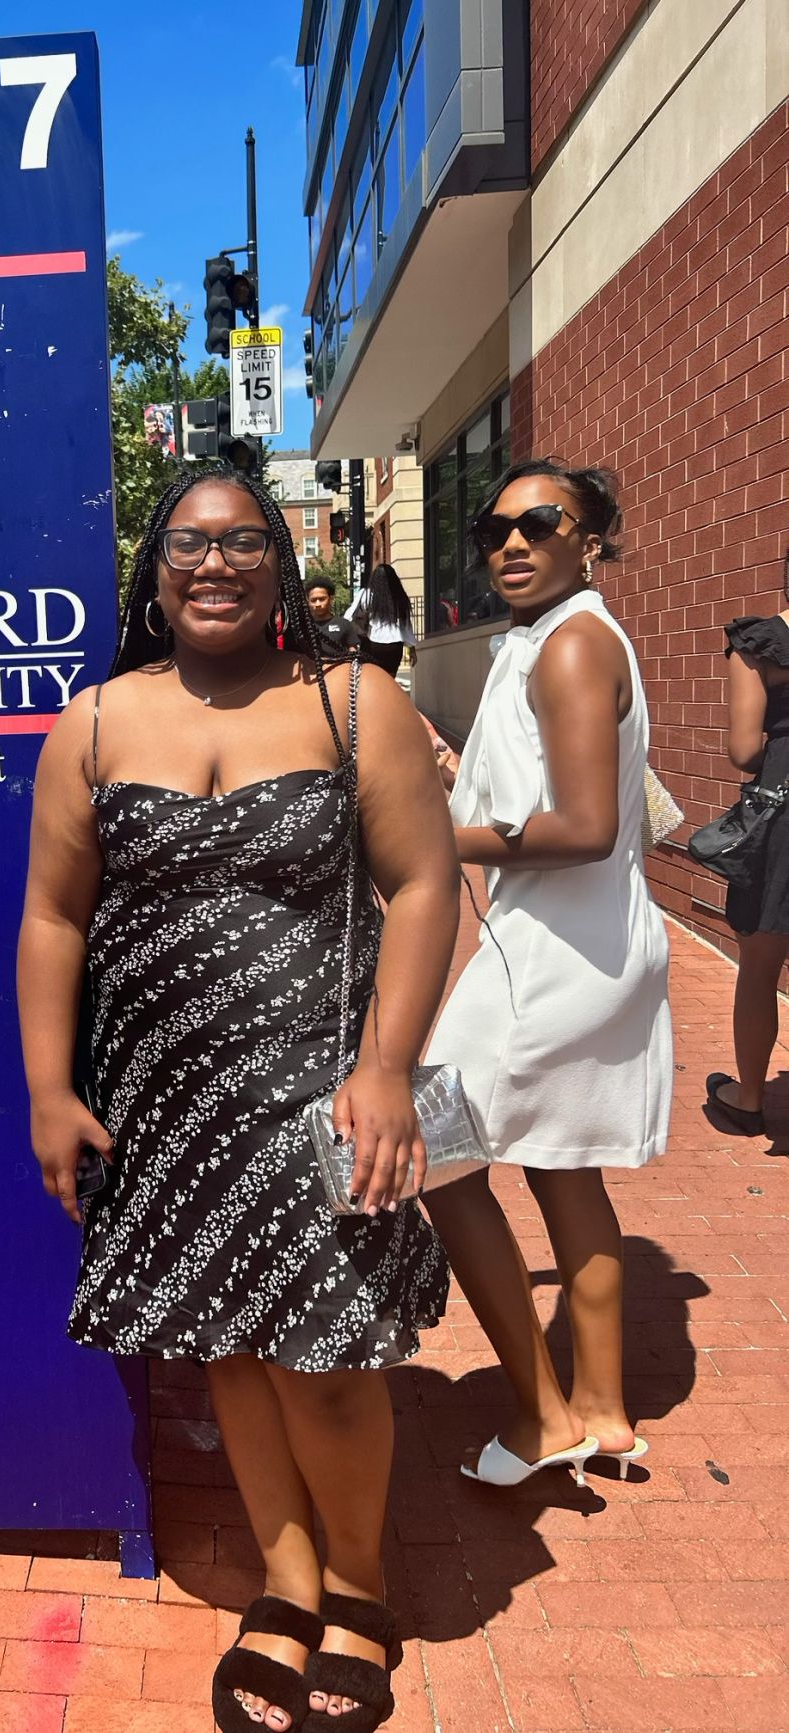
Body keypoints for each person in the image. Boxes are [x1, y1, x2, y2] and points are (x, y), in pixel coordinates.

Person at [18, 465, 460, 1732]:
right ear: (151, 573)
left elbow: (423, 885)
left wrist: (387, 1067)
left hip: (316, 1093)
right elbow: (53, 917)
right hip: (164, 1097)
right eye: (187, 544)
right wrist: (51, 1086)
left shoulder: (351, 702)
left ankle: (361, 1590)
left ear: (282, 563)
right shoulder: (92, 724)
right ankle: (286, 1574)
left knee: (323, 1357)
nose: (213, 563)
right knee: (223, 1341)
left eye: (242, 542)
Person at [422, 459, 671, 1487]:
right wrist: (453, 774)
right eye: (492, 530)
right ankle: (605, 1412)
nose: (511, 544)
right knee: (564, 1168)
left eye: (538, 523)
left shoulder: (568, 644)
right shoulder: (564, 636)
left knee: (434, 1147)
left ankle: (540, 1413)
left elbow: (579, 825)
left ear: (590, 535)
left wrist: (438, 835)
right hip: (588, 944)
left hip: (552, 958)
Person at [707, 578, 789, 1134]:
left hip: (781, 820)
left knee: (760, 965)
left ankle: (750, 1097)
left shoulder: (761, 643)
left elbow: (743, 750)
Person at [351, 565, 417, 678]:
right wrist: (412, 649)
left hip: (372, 643)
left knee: (371, 680)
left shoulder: (366, 595)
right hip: (395, 645)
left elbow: (350, 616)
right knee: (390, 680)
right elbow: (406, 625)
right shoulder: (400, 597)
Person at [306, 576, 360, 651]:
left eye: (322, 599)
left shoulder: (344, 625)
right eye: (313, 600)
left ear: (331, 599)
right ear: (308, 601)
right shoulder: (303, 627)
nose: (317, 604)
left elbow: (354, 653)